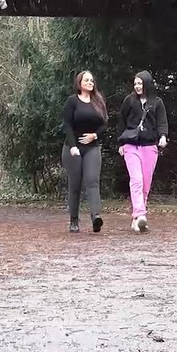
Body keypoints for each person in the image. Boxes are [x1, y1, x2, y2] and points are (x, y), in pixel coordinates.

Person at [116, 70, 168, 233]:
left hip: (150, 146)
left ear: (147, 84)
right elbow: (121, 121)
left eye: (140, 83)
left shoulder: (157, 102)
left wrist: (163, 136)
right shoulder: (129, 101)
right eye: (135, 84)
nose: (137, 86)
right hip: (131, 146)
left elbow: (162, 122)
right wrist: (120, 143)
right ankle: (140, 214)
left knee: (145, 184)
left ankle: (137, 220)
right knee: (136, 180)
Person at [61, 70, 107, 233]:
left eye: (92, 80)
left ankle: (96, 216)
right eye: (86, 80)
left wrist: (94, 135)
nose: (90, 83)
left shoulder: (98, 101)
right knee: (75, 184)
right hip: (73, 148)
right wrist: (73, 146)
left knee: (92, 181)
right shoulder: (72, 101)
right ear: (79, 83)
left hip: (92, 147)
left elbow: (104, 124)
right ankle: (74, 220)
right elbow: (67, 125)